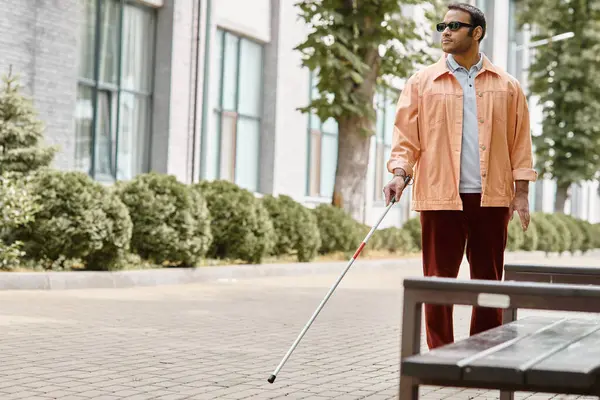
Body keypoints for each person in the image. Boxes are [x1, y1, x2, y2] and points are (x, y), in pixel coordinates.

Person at [383, 2, 537, 350]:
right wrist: (398, 173)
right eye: (442, 26)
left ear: (477, 32)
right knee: (439, 281)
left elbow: (520, 143)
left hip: (492, 196)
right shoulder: (422, 83)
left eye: (454, 26)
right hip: (440, 196)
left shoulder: (507, 86)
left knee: (489, 283)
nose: (446, 32)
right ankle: (440, 354)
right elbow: (406, 139)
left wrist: (522, 192)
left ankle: (486, 350)